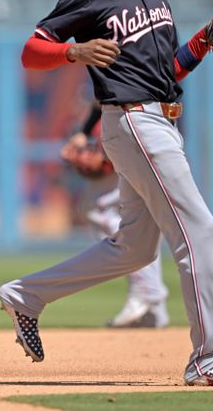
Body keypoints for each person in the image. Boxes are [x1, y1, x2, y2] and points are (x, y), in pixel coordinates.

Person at [0, 0, 213, 387]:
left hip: (159, 118)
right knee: (199, 229)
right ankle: (208, 358)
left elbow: (169, 72)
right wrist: (73, 50)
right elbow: (32, 52)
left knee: (135, 250)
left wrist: (208, 37)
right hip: (134, 121)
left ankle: (24, 296)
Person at [60, 101, 169, 328]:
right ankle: (153, 308)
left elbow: (132, 100)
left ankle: (148, 292)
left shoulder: (129, 72)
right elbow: (101, 100)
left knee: (103, 210)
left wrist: (103, 152)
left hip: (141, 134)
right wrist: (84, 132)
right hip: (135, 135)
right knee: (133, 219)